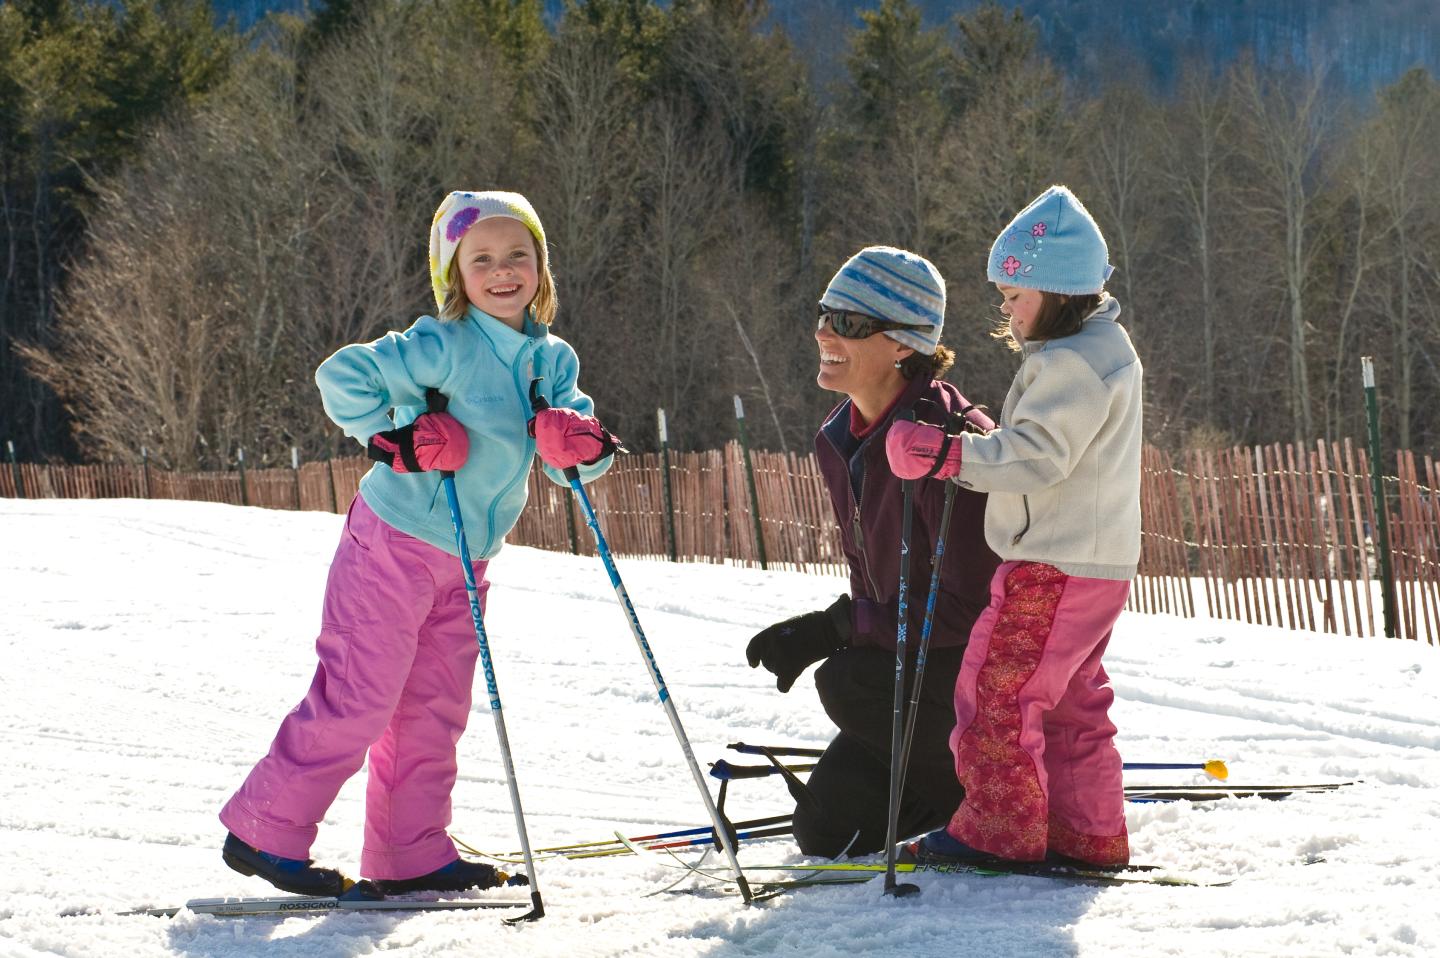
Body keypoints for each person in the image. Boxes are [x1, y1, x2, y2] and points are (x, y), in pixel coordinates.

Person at [219, 190, 618, 897]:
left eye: (518, 255)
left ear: (541, 268)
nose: (503, 272)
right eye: (482, 259)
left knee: (434, 710)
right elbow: (340, 377)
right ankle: (263, 832)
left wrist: (576, 442)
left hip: (468, 561)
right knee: (359, 697)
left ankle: (410, 855)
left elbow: (579, 455)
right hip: (393, 545)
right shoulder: (443, 344)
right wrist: (398, 441)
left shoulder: (551, 360)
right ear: (454, 275)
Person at [887, 185, 1143, 867]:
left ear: (1057, 290)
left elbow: (1037, 454)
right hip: (1096, 564)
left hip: (1052, 564)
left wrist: (947, 454)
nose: (1005, 310)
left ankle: (1000, 829)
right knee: (1068, 704)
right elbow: (1049, 446)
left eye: (1013, 295)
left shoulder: (1071, 362)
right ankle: (1087, 832)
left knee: (996, 691)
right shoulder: (1101, 350)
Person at [744, 246, 1000, 858]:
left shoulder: (953, 445)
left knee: (849, 680)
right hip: (909, 667)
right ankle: (941, 803)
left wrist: (835, 628)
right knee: (826, 832)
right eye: (825, 313)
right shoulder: (839, 438)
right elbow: (877, 586)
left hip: (968, 684)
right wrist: (845, 621)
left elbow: (970, 609)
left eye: (851, 324)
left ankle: (986, 797)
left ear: (904, 345)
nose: (825, 333)